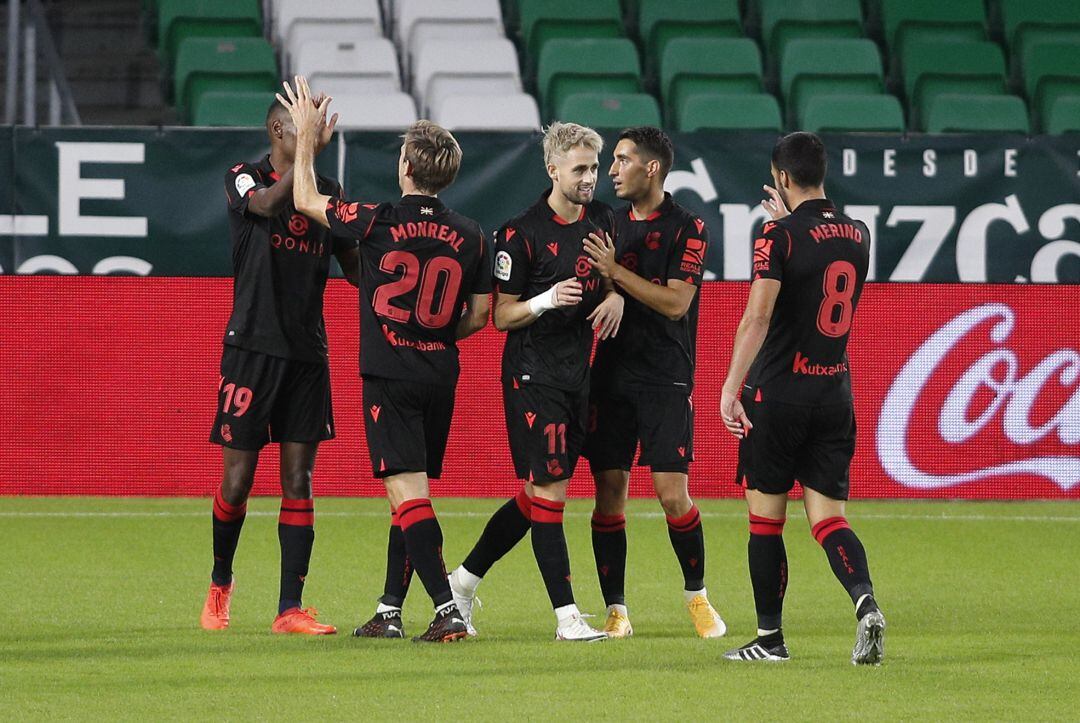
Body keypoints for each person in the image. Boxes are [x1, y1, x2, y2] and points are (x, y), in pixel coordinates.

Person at [280, 77, 490, 643]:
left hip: (390, 375)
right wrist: (435, 333)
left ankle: (447, 609)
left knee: (407, 494)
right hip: (440, 375)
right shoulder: (473, 235)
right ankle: (389, 611)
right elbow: (479, 316)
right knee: (409, 492)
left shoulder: (377, 220)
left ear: (406, 167)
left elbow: (304, 199)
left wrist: (306, 140)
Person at [447, 122, 624, 642]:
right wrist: (547, 299)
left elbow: (609, 278)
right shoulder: (519, 233)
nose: (590, 178)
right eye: (580, 169)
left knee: (537, 494)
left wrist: (615, 295)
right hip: (532, 375)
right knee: (550, 492)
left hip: (577, 375)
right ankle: (567, 618)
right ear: (553, 170)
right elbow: (501, 316)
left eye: (594, 168)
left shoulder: (602, 219)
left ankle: (462, 582)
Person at [720, 132, 885, 664]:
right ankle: (865, 603)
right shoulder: (858, 234)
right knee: (828, 519)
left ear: (782, 177)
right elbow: (819, 252)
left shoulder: (777, 237)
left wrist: (730, 387)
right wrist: (788, 222)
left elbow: (758, 316)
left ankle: (770, 640)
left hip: (778, 394)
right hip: (834, 393)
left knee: (765, 521)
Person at [200, 93, 351, 635]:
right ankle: (221, 582)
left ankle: (289, 608)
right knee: (238, 480)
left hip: (307, 354)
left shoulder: (329, 192)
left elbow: (355, 267)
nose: (311, 132)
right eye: (301, 126)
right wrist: (308, 154)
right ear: (277, 131)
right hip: (252, 349)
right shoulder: (243, 177)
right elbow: (265, 206)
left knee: (298, 479)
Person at [580, 127, 726, 639]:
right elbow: (598, 282)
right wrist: (609, 288)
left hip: (666, 375)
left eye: (623, 160)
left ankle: (697, 597)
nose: (612, 170)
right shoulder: (607, 222)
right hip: (611, 375)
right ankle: (616, 610)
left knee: (671, 494)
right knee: (609, 494)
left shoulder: (689, 227)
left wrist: (617, 276)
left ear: (652, 168)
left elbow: (676, 303)